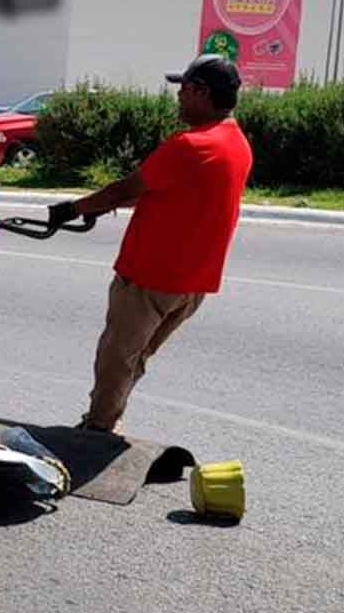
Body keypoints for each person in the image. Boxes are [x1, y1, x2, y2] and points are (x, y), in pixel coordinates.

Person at [47, 54, 253, 433]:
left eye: (183, 89)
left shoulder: (190, 144)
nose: (178, 97)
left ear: (200, 91)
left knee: (116, 357)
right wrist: (105, 205)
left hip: (150, 278)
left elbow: (129, 187)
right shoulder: (237, 143)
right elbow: (166, 192)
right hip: (192, 286)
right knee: (137, 357)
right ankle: (109, 418)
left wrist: (73, 208)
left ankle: (97, 430)